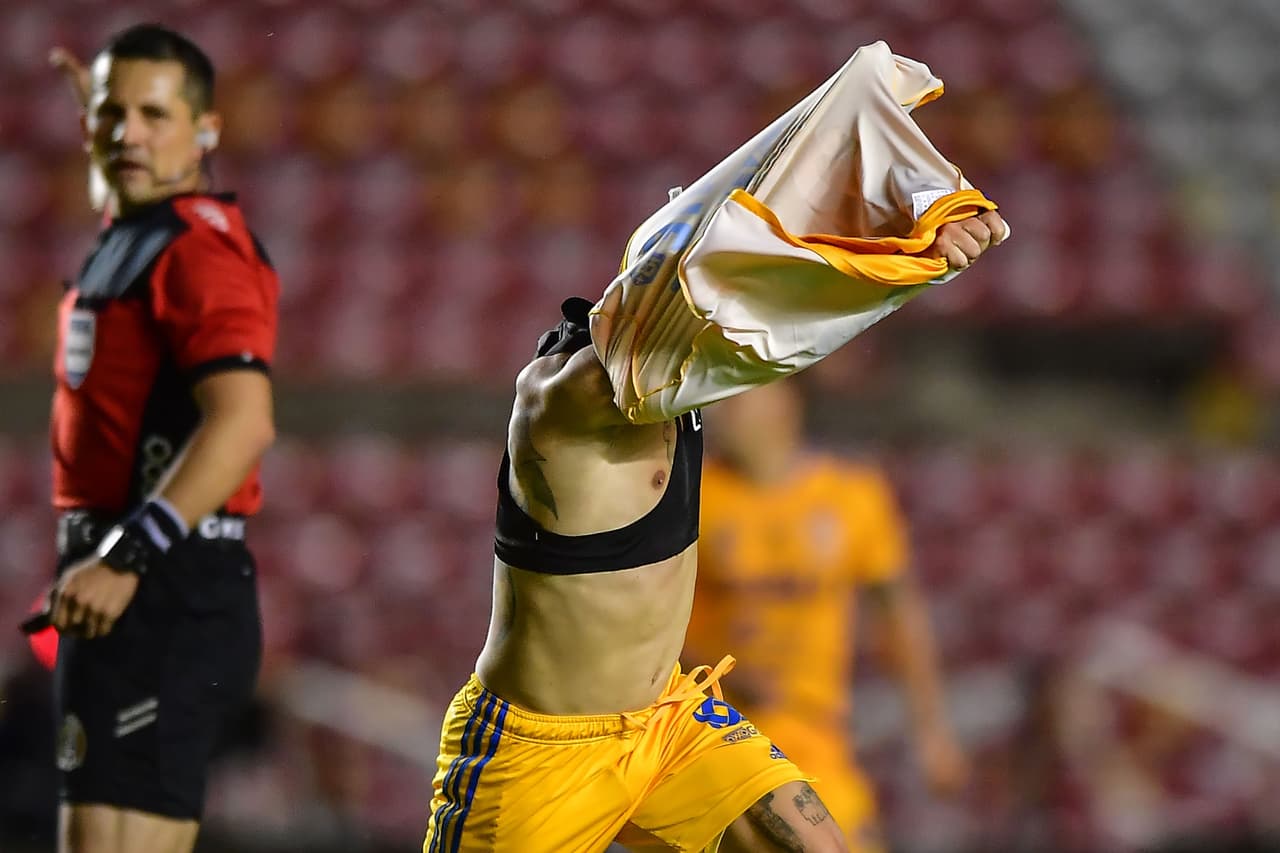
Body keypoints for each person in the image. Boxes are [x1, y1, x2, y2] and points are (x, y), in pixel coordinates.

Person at [421, 203, 1006, 848]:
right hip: (544, 749)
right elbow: (750, 325)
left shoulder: (691, 396)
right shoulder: (566, 396)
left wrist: (901, 242)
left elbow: (758, 322)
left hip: (669, 717)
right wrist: (901, 263)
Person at [26, 24, 279, 853]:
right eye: (110, 113)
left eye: (155, 114)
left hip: (162, 584)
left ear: (208, 130)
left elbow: (244, 420)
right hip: (120, 585)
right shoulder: (134, 229)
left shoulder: (198, 252)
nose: (128, 131)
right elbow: (126, 181)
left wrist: (129, 553)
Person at [683, 377, 969, 852]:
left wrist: (932, 730)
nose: (722, 408)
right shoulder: (690, 495)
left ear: (786, 400)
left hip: (817, 738)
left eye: (740, 393)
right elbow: (644, 622)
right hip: (714, 736)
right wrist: (711, 669)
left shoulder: (851, 495)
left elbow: (899, 616)